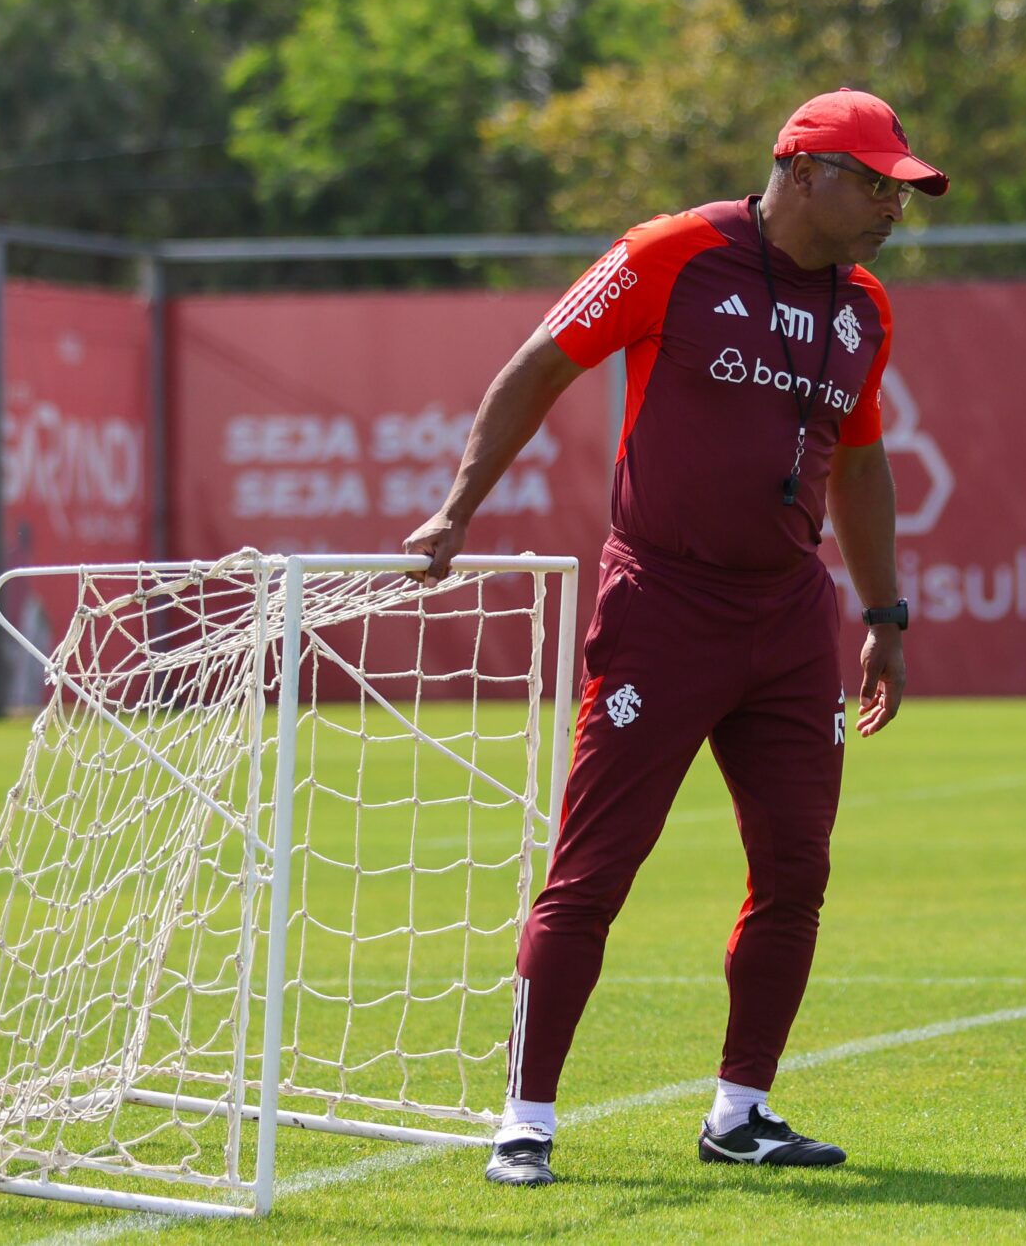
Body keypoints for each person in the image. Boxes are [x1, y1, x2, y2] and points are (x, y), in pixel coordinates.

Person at [402, 88, 945, 1188]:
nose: (893, 204)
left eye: (902, 187)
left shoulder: (866, 307)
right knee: (593, 870)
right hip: (662, 606)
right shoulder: (670, 254)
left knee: (796, 869)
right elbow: (538, 365)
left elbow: (859, 459)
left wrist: (885, 617)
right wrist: (457, 508)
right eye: (874, 182)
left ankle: (741, 1111)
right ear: (800, 171)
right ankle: (526, 1118)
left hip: (791, 618)